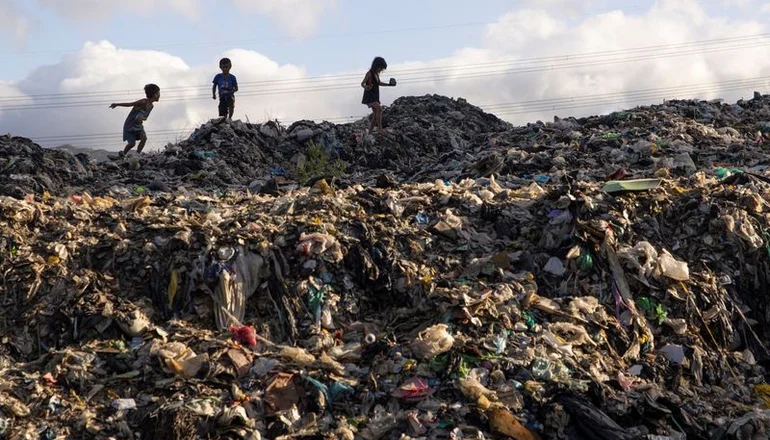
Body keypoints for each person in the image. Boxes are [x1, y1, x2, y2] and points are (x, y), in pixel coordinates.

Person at [109, 83, 160, 156]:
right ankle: (122, 155)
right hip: (130, 124)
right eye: (158, 93)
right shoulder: (143, 102)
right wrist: (116, 104)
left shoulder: (151, 106)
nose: (159, 95)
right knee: (132, 143)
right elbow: (130, 104)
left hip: (138, 125)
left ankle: (137, 155)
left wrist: (142, 118)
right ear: (155, 94)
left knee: (144, 138)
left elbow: (145, 117)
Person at [361, 56, 396, 136]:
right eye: (380, 68)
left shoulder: (376, 74)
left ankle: (370, 132)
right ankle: (380, 129)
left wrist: (389, 85)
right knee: (379, 109)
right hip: (369, 96)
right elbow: (362, 83)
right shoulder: (369, 73)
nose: (381, 70)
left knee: (376, 113)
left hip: (375, 95)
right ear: (376, 66)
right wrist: (366, 87)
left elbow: (379, 83)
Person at [212, 57, 239, 122]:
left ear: (230, 67)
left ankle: (229, 118)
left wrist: (230, 92)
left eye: (226, 67)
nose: (225, 69)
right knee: (222, 107)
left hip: (230, 95)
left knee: (231, 105)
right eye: (223, 67)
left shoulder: (232, 77)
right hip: (222, 96)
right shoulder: (218, 77)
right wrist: (214, 94)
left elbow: (236, 88)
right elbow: (214, 86)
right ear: (220, 67)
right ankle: (224, 119)